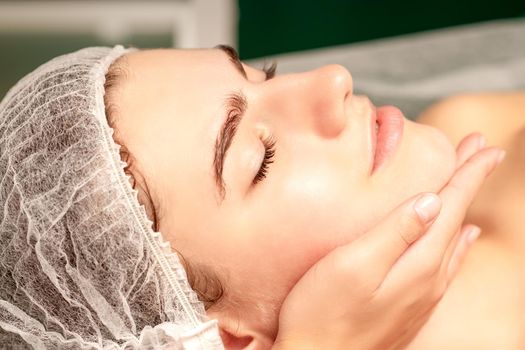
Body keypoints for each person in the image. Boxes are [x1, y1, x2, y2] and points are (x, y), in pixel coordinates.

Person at [0, 45, 508, 349]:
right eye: (262, 157)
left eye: (264, 72)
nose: (333, 81)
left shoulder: (472, 122)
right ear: (224, 338)